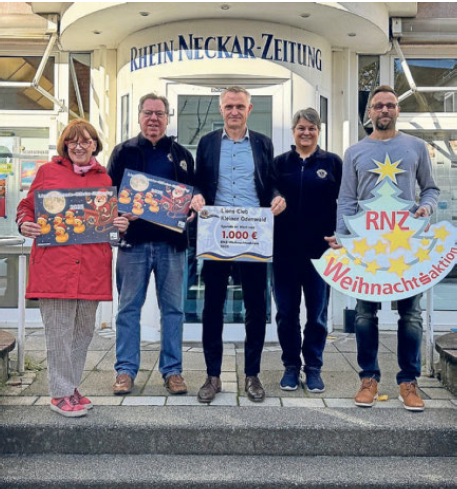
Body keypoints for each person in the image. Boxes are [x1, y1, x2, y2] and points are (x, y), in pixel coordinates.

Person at [326, 85, 439, 411]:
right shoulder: (355, 152)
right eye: (378, 105)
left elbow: (430, 189)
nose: (385, 110)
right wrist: (343, 237)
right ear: (370, 112)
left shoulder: (416, 147)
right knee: (364, 314)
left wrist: (426, 208)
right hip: (367, 247)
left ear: (397, 111)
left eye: (390, 105)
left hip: (407, 247)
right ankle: (368, 379)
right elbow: (347, 199)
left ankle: (408, 381)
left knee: (411, 315)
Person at [16, 119, 129, 417]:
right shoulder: (47, 172)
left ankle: (71, 386)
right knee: (59, 333)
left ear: (95, 145)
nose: (79, 146)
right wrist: (24, 223)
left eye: (86, 141)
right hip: (55, 268)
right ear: (65, 145)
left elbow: (107, 221)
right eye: (73, 141)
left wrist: (119, 223)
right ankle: (59, 394)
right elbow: (27, 207)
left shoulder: (104, 178)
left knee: (82, 332)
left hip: (91, 268)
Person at [191, 86, 286, 403]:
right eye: (229, 106)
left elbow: (270, 182)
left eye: (240, 106)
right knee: (212, 307)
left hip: (252, 234)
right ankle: (213, 376)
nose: (234, 111)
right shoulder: (207, 143)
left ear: (249, 109)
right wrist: (196, 195)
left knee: (256, 308)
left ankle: (252, 375)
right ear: (221, 109)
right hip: (217, 234)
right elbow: (199, 181)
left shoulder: (262, 143)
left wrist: (276, 197)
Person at [108, 93, 195, 396]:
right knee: (128, 309)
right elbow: (107, 195)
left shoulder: (182, 154)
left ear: (168, 118)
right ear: (139, 116)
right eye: (148, 113)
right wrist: (120, 213)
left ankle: (172, 371)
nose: (154, 119)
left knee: (173, 310)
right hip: (133, 245)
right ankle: (125, 371)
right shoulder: (123, 152)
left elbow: (192, 194)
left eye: (159, 113)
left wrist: (192, 208)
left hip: (172, 245)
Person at [273, 108, 342, 392]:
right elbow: (268, 191)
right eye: (301, 128)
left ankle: (313, 367)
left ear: (318, 131)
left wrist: (341, 233)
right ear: (293, 131)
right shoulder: (279, 163)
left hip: (320, 253)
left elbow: (345, 201)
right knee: (286, 313)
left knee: (317, 315)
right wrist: (274, 198)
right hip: (284, 252)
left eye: (311, 128)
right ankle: (291, 366)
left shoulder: (332, 162)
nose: (306, 132)